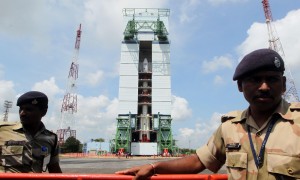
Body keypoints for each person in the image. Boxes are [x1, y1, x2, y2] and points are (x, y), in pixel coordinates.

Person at [115, 48, 300, 179]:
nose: (265, 87)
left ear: (283, 84)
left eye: (272, 79)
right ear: (240, 86)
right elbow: (198, 162)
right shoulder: (230, 127)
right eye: (255, 80)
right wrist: (154, 166)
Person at [0, 91, 62, 173]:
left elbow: (54, 169)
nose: (22, 113)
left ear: (43, 112)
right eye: (21, 109)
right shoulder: (3, 131)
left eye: (28, 109)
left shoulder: (51, 138)